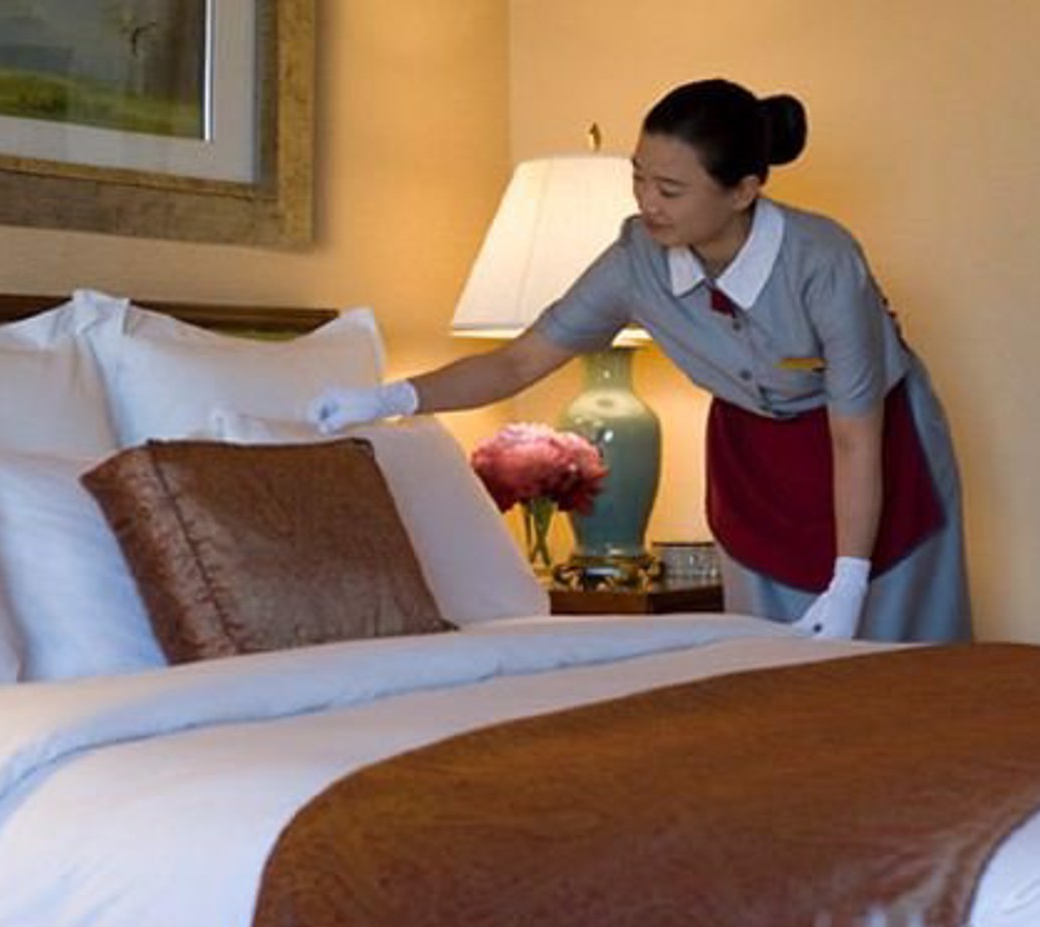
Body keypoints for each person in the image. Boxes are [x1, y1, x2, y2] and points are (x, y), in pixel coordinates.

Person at [309, 78, 971, 643]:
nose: (647, 202)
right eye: (638, 178)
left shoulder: (823, 260)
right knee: (773, 665)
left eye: (670, 189)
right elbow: (518, 363)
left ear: (742, 191)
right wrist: (391, 398)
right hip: (756, 463)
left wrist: (849, 582)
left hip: (877, 453)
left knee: (896, 659)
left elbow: (854, 436)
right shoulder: (635, 261)